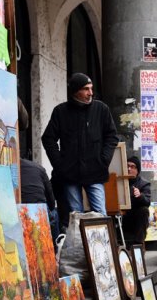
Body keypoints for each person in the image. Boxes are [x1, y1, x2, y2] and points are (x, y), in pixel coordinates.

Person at [41, 73, 119, 216]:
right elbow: (48, 138)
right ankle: (79, 240)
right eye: (86, 89)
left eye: (91, 88)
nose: (91, 93)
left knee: (100, 215)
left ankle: (100, 240)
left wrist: (104, 160)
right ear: (75, 91)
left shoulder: (101, 109)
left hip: (95, 171)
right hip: (70, 173)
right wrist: (59, 164)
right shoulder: (60, 111)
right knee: (76, 216)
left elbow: (112, 137)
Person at [20, 157, 59, 238]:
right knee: (54, 214)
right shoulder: (38, 167)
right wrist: (51, 208)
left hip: (20, 209)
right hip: (39, 208)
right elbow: (50, 194)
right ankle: (56, 245)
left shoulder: (7, 168)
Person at [121, 156, 151, 244]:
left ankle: (138, 244)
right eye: (127, 166)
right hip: (121, 215)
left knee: (144, 210)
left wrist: (140, 196)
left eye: (132, 166)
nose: (129, 169)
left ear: (137, 170)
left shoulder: (144, 184)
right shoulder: (120, 181)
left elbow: (147, 201)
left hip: (134, 216)